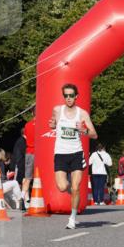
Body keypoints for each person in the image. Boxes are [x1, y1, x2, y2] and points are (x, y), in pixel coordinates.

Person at [49, 83, 97, 229]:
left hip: (76, 153)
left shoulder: (82, 114)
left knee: (76, 187)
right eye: (66, 95)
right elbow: (53, 124)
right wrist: (52, 125)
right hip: (60, 153)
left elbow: (94, 135)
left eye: (71, 95)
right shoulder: (57, 110)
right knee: (63, 187)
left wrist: (83, 130)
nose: (68, 98)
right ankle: (74, 195)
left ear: (76, 96)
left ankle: (72, 218)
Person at [22, 118, 36, 206]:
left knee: (27, 178)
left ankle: (22, 196)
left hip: (29, 152)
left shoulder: (27, 124)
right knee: (40, 177)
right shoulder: (42, 123)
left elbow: (25, 136)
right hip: (38, 153)